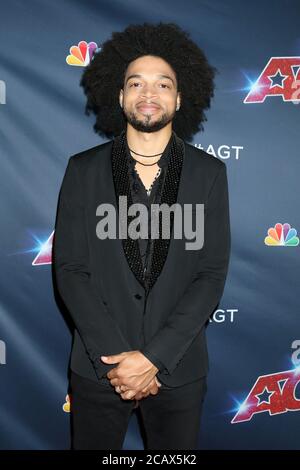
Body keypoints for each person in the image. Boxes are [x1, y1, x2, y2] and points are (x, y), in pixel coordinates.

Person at [53, 21, 231, 450]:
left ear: (180, 97)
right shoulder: (83, 170)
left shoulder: (209, 173)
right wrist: (120, 361)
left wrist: (153, 359)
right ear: (120, 96)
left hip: (178, 367)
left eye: (163, 84)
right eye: (136, 83)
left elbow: (210, 274)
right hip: (99, 367)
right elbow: (71, 269)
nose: (149, 93)